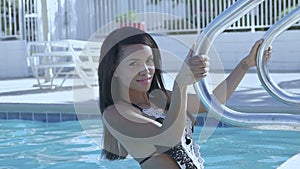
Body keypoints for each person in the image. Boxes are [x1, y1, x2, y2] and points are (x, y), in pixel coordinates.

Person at [98, 27, 271, 169]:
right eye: (133, 63)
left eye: (149, 60)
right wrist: (180, 84)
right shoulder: (115, 113)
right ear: (115, 70)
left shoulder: (158, 97)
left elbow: (211, 103)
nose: (146, 69)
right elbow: (168, 139)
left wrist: (246, 64)